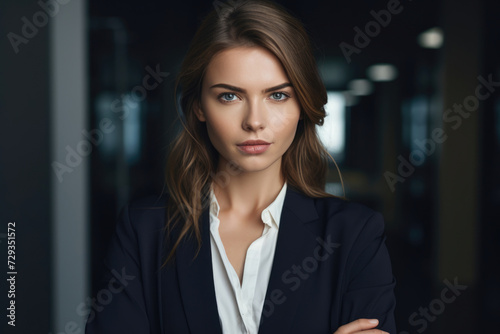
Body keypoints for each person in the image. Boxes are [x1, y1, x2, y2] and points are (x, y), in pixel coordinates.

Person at [85, 0, 397, 333]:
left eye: (277, 95)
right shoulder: (143, 231)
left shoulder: (355, 235)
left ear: (303, 104)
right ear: (199, 107)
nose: (254, 122)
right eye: (229, 96)